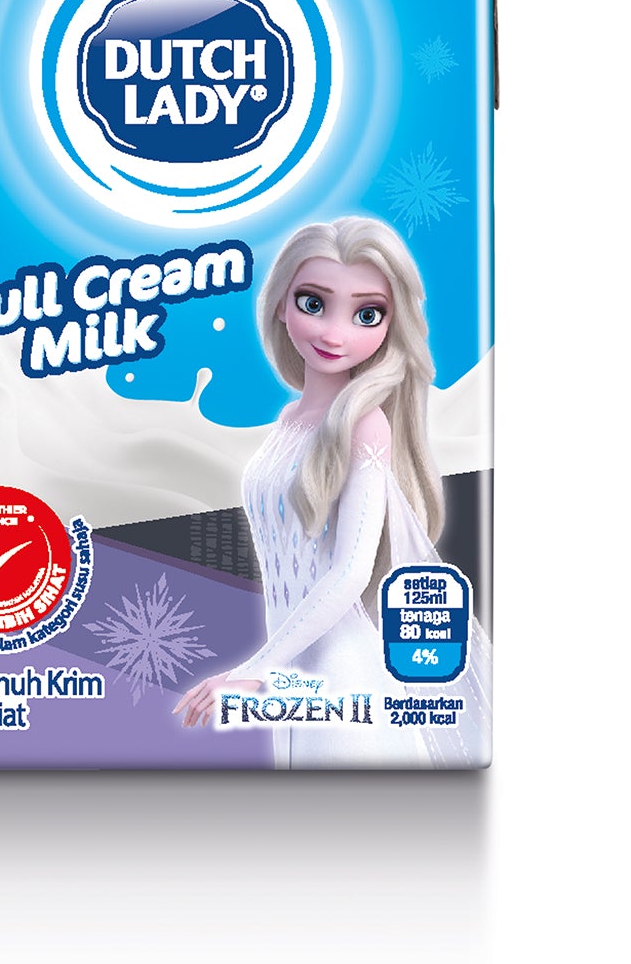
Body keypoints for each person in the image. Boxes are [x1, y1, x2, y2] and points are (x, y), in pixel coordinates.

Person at [173, 216, 490, 768]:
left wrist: (254, 668)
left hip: (339, 669)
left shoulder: (364, 424)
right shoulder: (289, 420)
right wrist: (267, 668)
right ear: (280, 305)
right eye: (313, 304)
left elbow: (350, 572)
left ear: (391, 325)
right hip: (291, 672)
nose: (334, 334)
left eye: (367, 314)